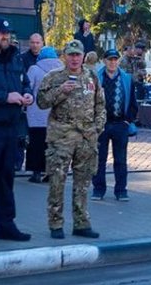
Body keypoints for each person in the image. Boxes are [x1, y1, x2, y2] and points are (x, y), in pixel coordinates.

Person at [37, 39, 105, 239]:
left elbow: (100, 104)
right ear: (64, 56)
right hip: (61, 137)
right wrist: (60, 91)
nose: (74, 58)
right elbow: (41, 102)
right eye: (71, 54)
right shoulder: (54, 77)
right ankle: (56, 223)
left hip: (86, 137)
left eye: (78, 55)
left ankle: (81, 223)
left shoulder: (91, 76)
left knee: (83, 183)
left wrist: (97, 128)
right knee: (57, 181)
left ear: (83, 56)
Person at [0, 18, 32, 241]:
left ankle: (6, 224)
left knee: (6, 178)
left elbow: (25, 82)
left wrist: (28, 94)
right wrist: (5, 97)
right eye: (1, 33)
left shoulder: (15, 58)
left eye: (7, 33)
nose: (5, 36)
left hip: (11, 129)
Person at [91, 49, 138, 201]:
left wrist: (127, 121)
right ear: (104, 61)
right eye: (110, 59)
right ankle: (98, 190)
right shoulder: (96, 78)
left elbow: (132, 103)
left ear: (118, 61)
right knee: (99, 159)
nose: (112, 62)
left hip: (120, 124)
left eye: (115, 59)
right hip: (101, 124)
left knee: (120, 159)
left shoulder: (126, 78)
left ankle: (121, 190)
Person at [25, 46, 62, 184]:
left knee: (36, 144)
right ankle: (50, 173)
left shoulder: (34, 69)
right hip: (55, 115)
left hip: (36, 114)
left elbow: (28, 87)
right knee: (52, 145)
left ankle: (36, 173)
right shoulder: (61, 70)